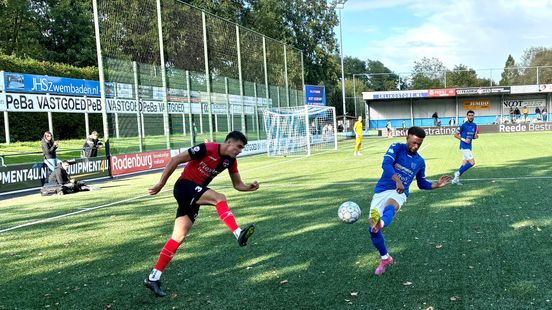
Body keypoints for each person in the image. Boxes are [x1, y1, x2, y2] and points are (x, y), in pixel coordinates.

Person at [144, 131, 258, 297]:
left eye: (242, 148)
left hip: (194, 194)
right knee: (219, 198)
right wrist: (161, 183)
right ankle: (238, 233)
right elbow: (176, 159)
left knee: (178, 237)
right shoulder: (207, 148)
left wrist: (249, 187)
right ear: (228, 142)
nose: (240, 150)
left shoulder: (230, 161)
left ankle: (153, 277)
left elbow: (238, 184)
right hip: (184, 187)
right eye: (239, 146)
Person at [368, 126, 452, 276]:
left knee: (390, 207)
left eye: (418, 144)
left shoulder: (420, 161)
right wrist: (397, 180)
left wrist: (437, 185)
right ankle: (385, 258)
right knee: (372, 231)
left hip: (400, 193)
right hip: (381, 189)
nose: (415, 146)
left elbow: (422, 183)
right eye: (413, 142)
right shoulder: (396, 147)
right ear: (407, 137)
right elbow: (386, 164)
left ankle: (380, 223)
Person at [451, 110, 478, 185]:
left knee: (464, 164)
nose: (470, 117)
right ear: (467, 116)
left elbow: (473, 136)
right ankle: (458, 172)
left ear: (473, 116)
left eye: (472, 115)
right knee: (472, 163)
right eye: (469, 115)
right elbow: (455, 135)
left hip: (469, 147)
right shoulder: (463, 125)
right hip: (463, 146)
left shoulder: (474, 125)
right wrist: (464, 140)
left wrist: (475, 137)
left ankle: (455, 180)